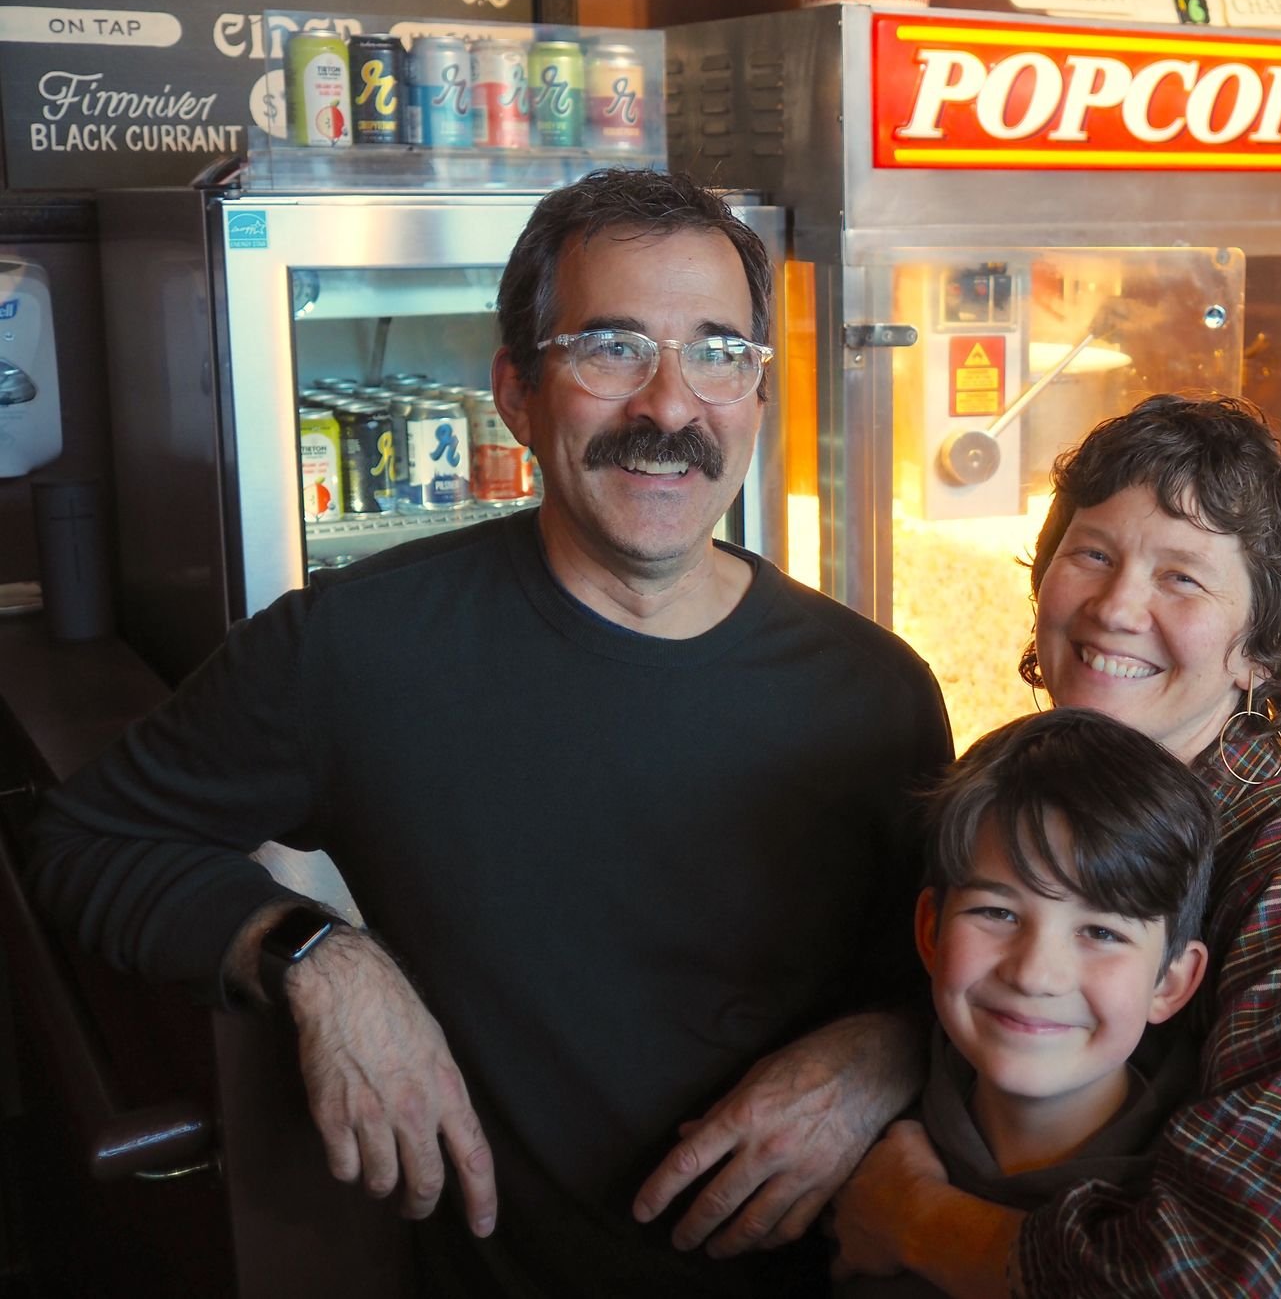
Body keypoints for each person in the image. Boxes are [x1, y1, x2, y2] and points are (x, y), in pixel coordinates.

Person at [30, 169, 952, 1297]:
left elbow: (965, 965)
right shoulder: (356, 651)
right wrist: (316, 958)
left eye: (717, 351)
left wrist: (886, 1050)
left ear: (757, 396)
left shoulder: (875, 691)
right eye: (610, 347)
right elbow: (82, 842)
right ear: (515, 391)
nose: (669, 407)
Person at [830, 393, 1281, 1297]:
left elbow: (1246, 1275)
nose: (1118, 607)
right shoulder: (1003, 786)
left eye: (1183, 578)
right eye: (1092, 554)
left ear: (1261, 651)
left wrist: (920, 1223)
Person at [841, 706, 1214, 1299]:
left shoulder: (1197, 1210)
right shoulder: (858, 1149)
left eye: (1101, 932)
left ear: (1169, 982)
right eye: (997, 913)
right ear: (932, 934)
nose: (1037, 975)